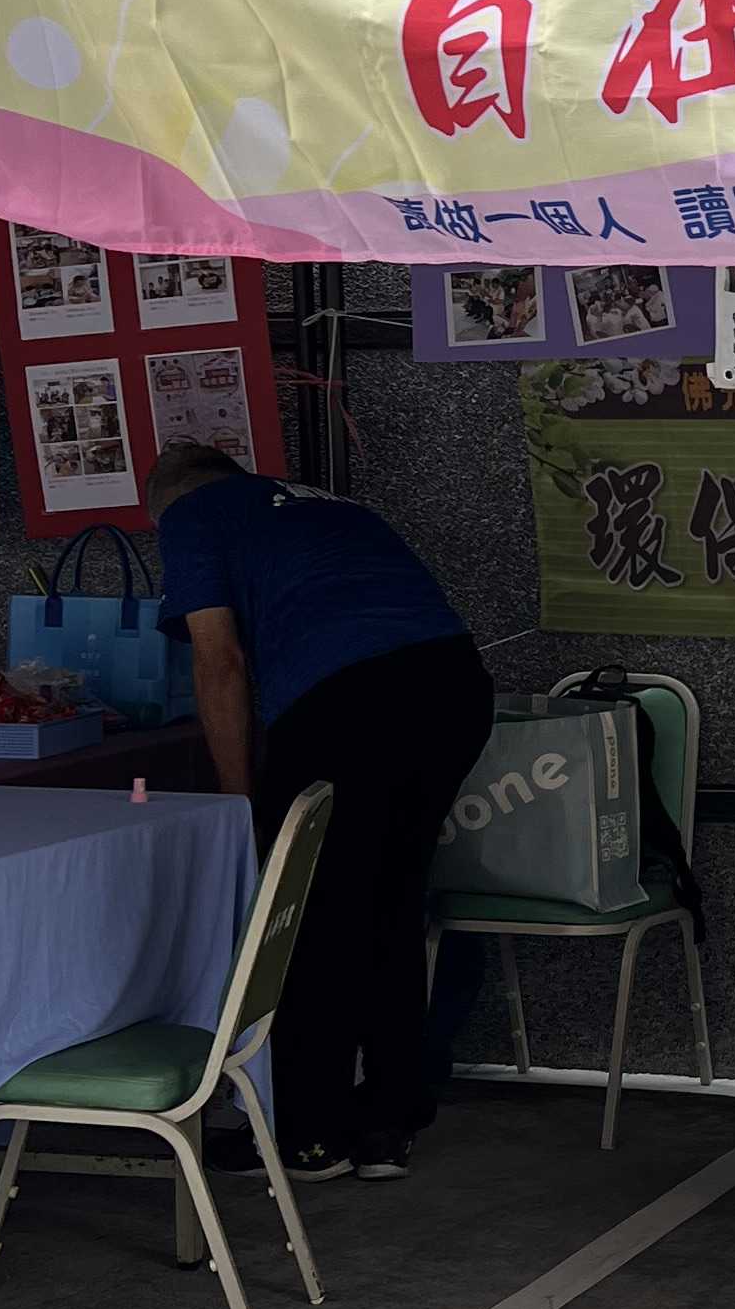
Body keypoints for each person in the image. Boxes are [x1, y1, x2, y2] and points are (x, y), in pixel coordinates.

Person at [149, 441, 495, 1183]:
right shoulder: (327, 504)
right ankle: (391, 1120)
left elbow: (218, 660)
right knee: (390, 900)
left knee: (305, 914)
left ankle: (309, 1134)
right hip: (454, 689)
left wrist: (240, 801)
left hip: (347, 701)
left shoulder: (190, 514)